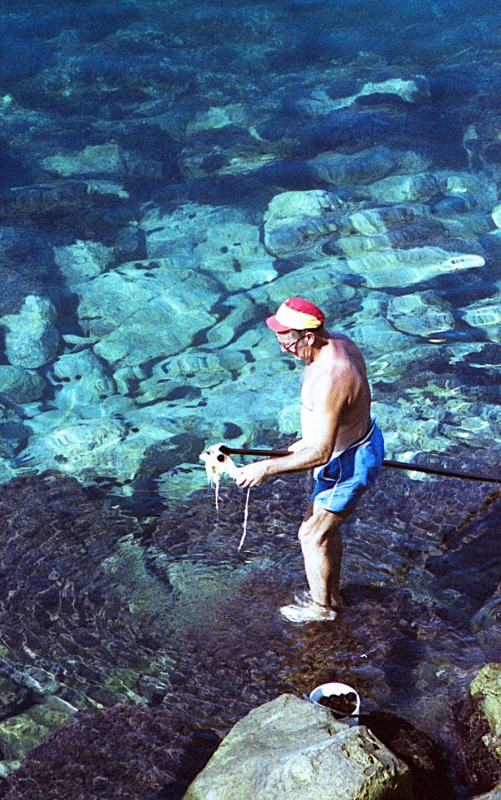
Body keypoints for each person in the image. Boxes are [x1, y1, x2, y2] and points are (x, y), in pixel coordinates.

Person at [236, 297, 384, 623]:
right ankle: (332, 596)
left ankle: (324, 609)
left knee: (311, 535)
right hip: (352, 443)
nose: (283, 350)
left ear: (309, 337)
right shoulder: (339, 342)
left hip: (347, 461)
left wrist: (267, 468)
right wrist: (307, 440)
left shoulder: (334, 375)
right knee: (324, 531)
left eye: (288, 343)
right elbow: (340, 416)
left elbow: (322, 453)